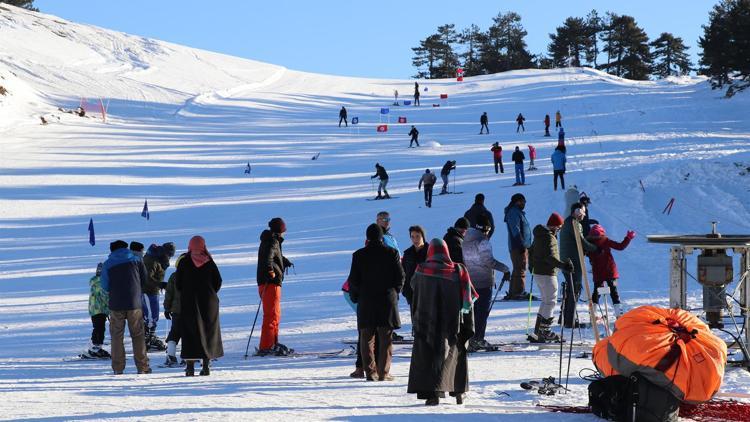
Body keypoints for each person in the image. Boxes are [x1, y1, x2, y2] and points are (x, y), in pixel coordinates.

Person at [408, 238, 477, 406]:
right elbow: (469, 297)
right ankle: (459, 391)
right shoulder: (458, 270)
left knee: (429, 357)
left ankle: (433, 395)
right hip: (453, 324)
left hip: (427, 322)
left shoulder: (421, 271)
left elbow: (412, 289)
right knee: (455, 355)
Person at [347, 224, 405, 381]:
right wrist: (395, 292)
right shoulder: (391, 252)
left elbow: (353, 280)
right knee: (386, 338)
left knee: (367, 337)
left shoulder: (358, 255)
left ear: (367, 237)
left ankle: (370, 372)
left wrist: (356, 297)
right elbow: (400, 276)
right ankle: (383, 372)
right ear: (381, 237)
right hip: (387, 299)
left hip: (366, 300)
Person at [101, 240, 151, 375]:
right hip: (134, 303)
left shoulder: (107, 264)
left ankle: (118, 368)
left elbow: (104, 286)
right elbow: (145, 280)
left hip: (116, 304)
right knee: (138, 335)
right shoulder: (136, 260)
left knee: (117, 336)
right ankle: (142, 367)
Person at [175, 236, 223, 376]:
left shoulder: (184, 262)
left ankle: (190, 367)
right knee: (208, 332)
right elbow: (218, 281)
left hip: (189, 303)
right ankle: (206, 365)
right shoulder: (209, 262)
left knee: (190, 333)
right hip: (209, 303)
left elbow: (178, 283)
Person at [462, 214, 510, 351]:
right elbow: (489, 262)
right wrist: (505, 269)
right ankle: (478, 339)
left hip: (470, 281)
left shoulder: (467, 238)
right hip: (483, 282)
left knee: (473, 312)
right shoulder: (483, 241)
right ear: (486, 229)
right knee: (482, 313)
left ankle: (471, 338)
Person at [527, 213, 572, 343]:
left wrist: (532, 266)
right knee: (550, 302)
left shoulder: (539, 235)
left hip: (539, 272)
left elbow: (531, 251)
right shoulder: (548, 237)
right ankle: (545, 331)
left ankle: (538, 330)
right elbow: (550, 257)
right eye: (559, 228)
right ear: (555, 226)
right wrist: (563, 266)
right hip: (547, 273)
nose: (559, 230)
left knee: (545, 301)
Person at [256, 218, 294, 356]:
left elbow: (274, 255)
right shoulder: (272, 241)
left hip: (269, 283)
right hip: (270, 283)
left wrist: (284, 261)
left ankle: (272, 343)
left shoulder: (271, 240)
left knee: (275, 315)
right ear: (280, 230)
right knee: (271, 315)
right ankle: (266, 346)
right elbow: (268, 258)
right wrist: (270, 271)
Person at [558, 203, 598, 328]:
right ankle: (569, 320)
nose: (584, 215)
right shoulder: (575, 224)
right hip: (573, 261)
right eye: (583, 212)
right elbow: (581, 241)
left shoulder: (567, 222)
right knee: (575, 289)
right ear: (577, 211)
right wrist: (595, 248)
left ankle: (564, 318)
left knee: (570, 289)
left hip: (567, 259)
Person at [586, 225, 635, 318]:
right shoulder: (605, 240)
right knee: (614, 292)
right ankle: (618, 314)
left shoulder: (589, 244)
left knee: (596, 292)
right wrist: (628, 238)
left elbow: (587, 254)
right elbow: (620, 246)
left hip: (599, 272)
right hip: (609, 271)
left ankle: (593, 313)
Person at [142, 243, 174, 351]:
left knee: (153, 314)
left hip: (153, 291)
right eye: (169, 255)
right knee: (151, 315)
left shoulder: (158, 258)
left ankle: (150, 336)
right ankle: (147, 338)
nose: (169, 257)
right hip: (147, 291)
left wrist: (159, 284)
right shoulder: (151, 260)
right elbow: (147, 278)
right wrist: (159, 284)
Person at [503, 193, 533, 300]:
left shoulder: (517, 212)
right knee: (520, 267)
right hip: (517, 246)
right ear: (517, 201)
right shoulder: (514, 212)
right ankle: (519, 292)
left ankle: (514, 291)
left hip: (520, 245)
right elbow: (515, 229)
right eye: (523, 202)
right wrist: (520, 244)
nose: (524, 204)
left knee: (518, 267)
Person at [85, 262, 110, 359]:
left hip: (95, 310)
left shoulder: (95, 281)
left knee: (98, 328)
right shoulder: (101, 283)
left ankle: (95, 346)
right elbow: (105, 296)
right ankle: (96, 347)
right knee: (99, 328)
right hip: (99, 309)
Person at [163, 254, 184, 367]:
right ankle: (188, 356)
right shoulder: (194, 276)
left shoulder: (174, 276)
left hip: (176, 311)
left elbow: (169, 294)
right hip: (191, 311)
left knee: (175, 332)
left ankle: (171, 355)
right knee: (189, 332)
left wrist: (167, 308)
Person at [401, 225, 428, 305]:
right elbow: (403, 272)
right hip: (412, 295)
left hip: (428, 294)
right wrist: (405, 292)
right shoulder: (407, 253)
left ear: (422, 236)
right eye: (412, 236)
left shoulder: (430, 251)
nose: (415, 239)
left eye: (417, 236)